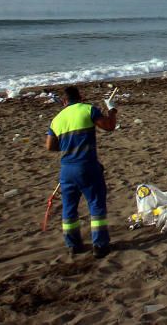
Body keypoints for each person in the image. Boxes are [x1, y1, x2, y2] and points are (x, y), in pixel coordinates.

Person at [45, 86, 117, 258]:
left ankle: (73, 245)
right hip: (87, 166)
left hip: (67, 170)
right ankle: (100, 246)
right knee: (96, 204)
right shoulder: (88, 110)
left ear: (64, 101)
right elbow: (109, 126)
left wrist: (68, 145)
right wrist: (112, 110)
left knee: (69, 208)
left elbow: (49, 146)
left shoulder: (57, 119)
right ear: (81, 96)